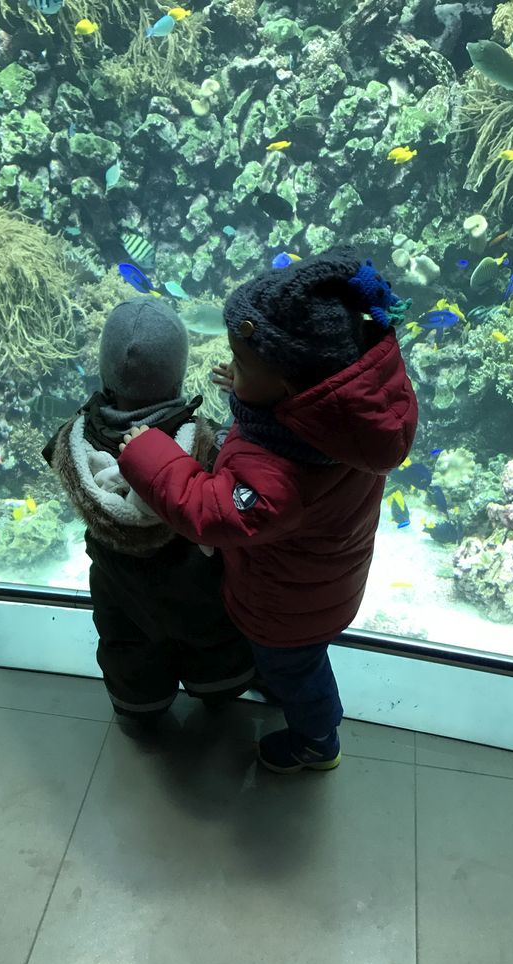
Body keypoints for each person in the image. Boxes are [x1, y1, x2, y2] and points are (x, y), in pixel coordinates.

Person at [117, 245, 420, 774]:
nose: (233, 367)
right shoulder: (345, 417)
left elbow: (212, 510)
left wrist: (147, 452)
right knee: (293, 665)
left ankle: (316, 739)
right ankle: (287, 689)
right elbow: (295, 406)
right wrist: (248, 385)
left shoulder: (282, 474)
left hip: (288, 611)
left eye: (243, 363)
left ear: (284, 387)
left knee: (297, 674)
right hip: (319, 583)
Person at [42, 296, 258, 730]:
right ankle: (219, 689)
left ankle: (139, 706)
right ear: (177, 376)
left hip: (117, 584)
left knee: (126, 642)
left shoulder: (70, 441)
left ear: (105, 373)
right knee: (211, 635)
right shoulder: (206, 445)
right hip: (194, 585)